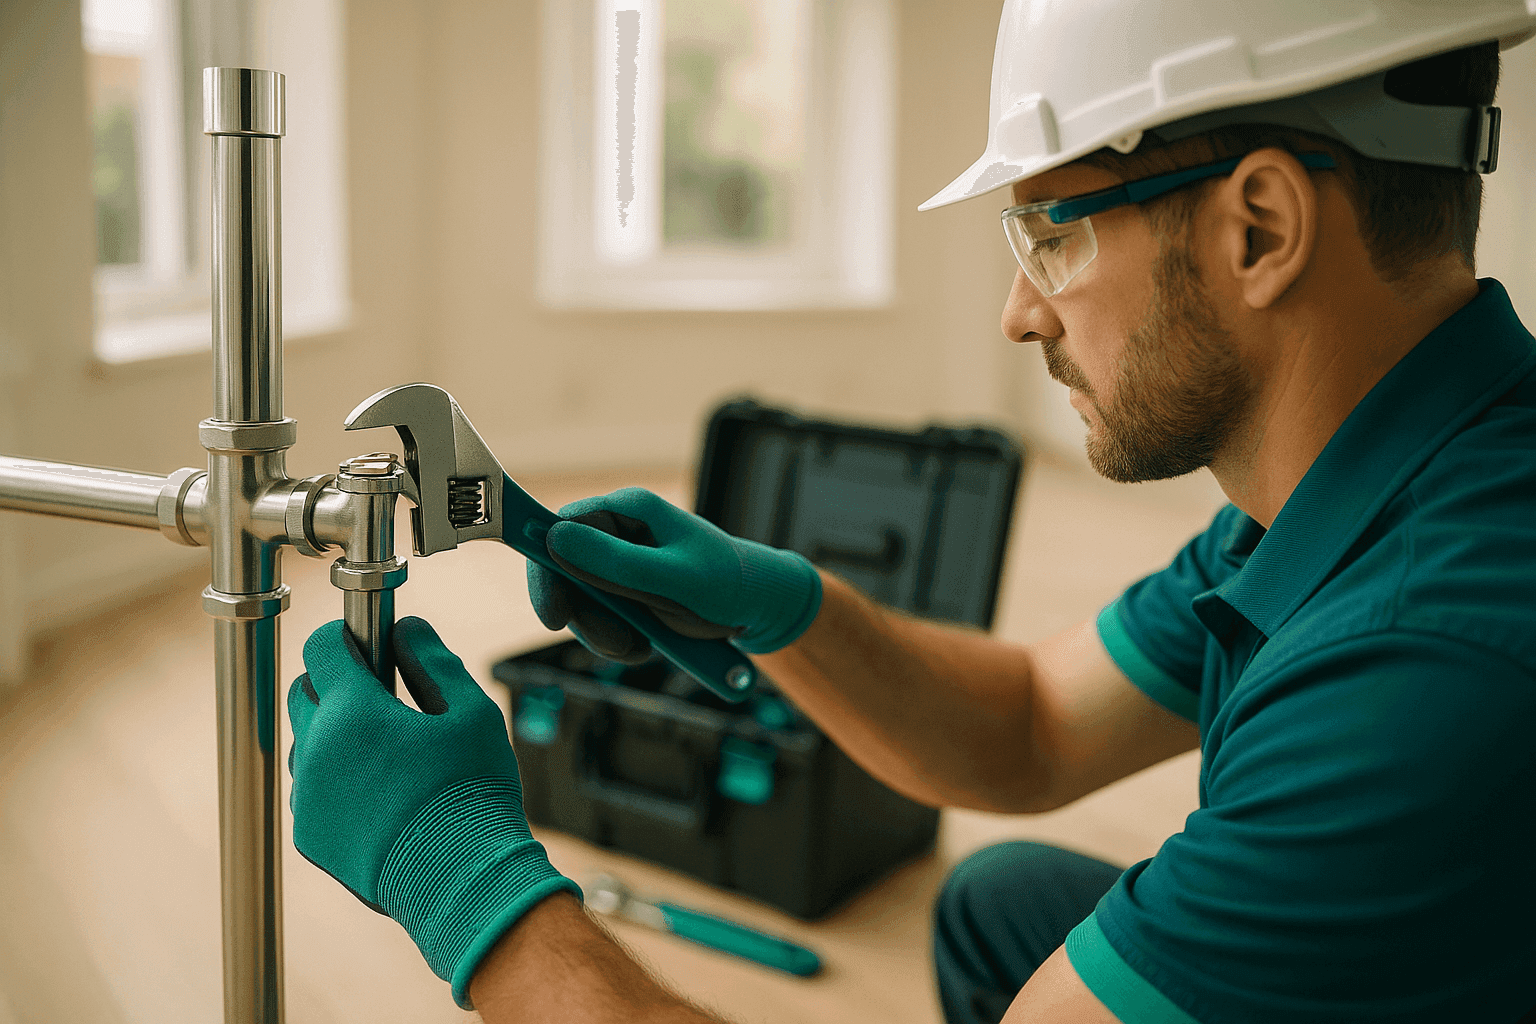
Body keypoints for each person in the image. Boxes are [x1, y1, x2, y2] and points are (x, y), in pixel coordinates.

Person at [285, 2, 1536, 1021]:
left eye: (1052, 232)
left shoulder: (1423, 670)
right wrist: (785, 607)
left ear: (1257, 227)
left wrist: (463, 878)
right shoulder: (1384, 472)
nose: (1020, 311)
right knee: (1000, 907)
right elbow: (1037, 724)